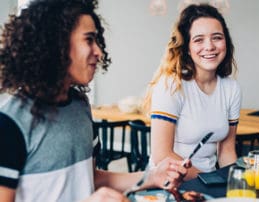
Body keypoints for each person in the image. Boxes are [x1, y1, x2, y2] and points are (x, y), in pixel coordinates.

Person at [0, 0, 188, 201]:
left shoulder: (79, 107)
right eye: (89, 40)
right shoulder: (10, 124)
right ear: (56, 43)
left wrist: (150, 177)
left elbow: (91, 180)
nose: (98, 52)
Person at [144, 3, 242, 180]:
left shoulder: (231, 88)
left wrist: (235, 183)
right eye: (198, 40)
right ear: (187, 48)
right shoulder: (172, 85)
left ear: (225, 42)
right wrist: (211, 181)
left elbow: (226, 152)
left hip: (210, 182)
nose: (209, 46)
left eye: (217, 38)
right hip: (170, 182)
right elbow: (162, 155)